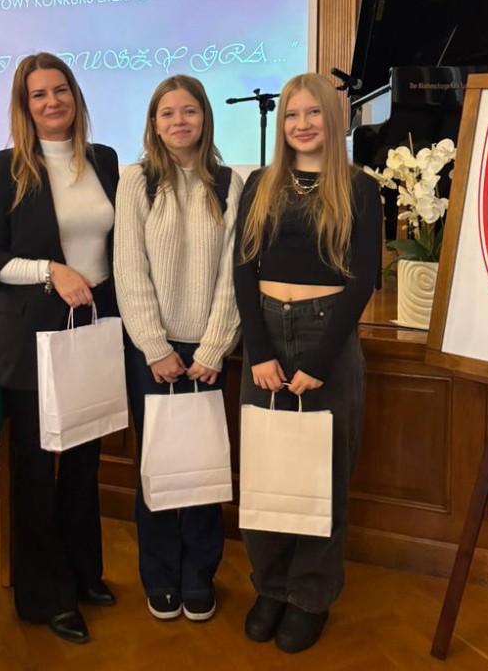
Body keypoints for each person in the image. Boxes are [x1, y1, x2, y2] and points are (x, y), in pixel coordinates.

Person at [0, 52, 119, 645]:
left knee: (83, 462)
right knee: (34, 471)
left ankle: (83, 574)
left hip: (95, 328)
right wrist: (50, 270)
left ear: (75, 96)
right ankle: (45, 596)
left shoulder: (104, 160)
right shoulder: (4, 168)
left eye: (60, 90)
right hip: (31, 337)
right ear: (24, 106)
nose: (52, 102)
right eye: (39, 94)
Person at [233, 72, 382, 654]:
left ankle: (309, 595)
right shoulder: (261, 184)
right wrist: (259, 352)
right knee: (268, 469)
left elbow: (362, 279)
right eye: (292, 114)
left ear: (332, 119)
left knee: (323, 474)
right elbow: (242, 269)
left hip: (328, 338)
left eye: (313, 113)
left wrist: (319, 360)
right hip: (267, 335)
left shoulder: (359, 188)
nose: (301, 123)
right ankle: (270, 586)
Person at [114, 74, 242, 623]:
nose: (178, 121)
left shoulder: (230, 183)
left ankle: (199, 576)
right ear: (154, 123)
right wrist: (153, 346)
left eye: (188, 111)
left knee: (203, 466)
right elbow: (129, 269)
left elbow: (234, 274)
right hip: (153, 352)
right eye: (167, 113)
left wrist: (214, 347)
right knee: (160, 465)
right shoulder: (135, 182)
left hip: (208, 349)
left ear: (204, 117)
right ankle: (161, 575)